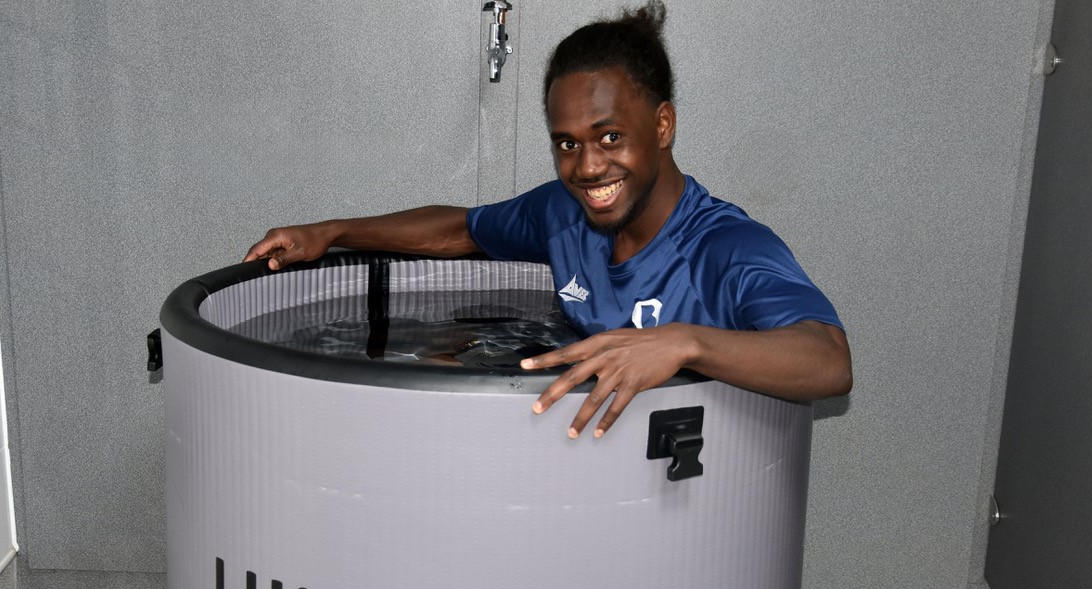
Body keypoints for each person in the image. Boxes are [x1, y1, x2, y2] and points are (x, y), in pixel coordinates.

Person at [245, 1, 851, 439]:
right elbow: (460, 229)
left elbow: (829, 359)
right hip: (570, 430)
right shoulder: (566, 215)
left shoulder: (726, 247)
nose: (588, 167)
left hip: (667, 475)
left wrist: (682, 342)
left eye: (610, 136)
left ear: (662, 126)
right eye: (566, 144)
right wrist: (330, 233)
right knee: (419, 380)